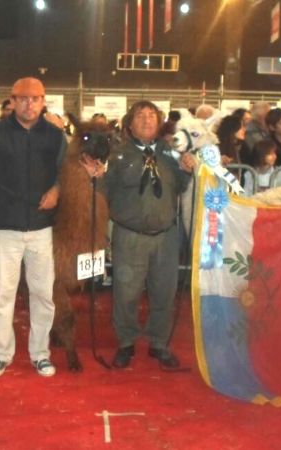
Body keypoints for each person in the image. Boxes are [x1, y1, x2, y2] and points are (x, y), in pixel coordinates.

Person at [80, 100, 194, 369]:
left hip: (166, 236)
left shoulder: (170, 154)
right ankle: (126, 342)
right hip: (130, 236)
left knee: (164, 292)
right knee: (126, 293)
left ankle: (159, 343)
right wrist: (94, 177)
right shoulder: (117, 155)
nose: (146, 120)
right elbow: (103, 190)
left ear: (159, 121)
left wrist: (187, 171)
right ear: (130, 124)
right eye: (140, 116)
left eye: (151, 115)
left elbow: (179, 185)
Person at [0, 77, 66, 378]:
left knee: (43, 294)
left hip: (41, 229)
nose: (30, 104)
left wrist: (56, 190)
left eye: (36, 98)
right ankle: (1, 354)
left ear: (44, 101)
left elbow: (63, 172)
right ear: (12, 100)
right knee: (4, 294)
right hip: (5, 227)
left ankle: (40, 354)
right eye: (23, 98)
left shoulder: (56, 136)